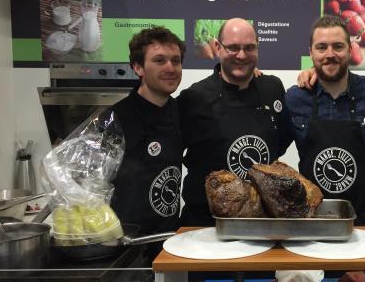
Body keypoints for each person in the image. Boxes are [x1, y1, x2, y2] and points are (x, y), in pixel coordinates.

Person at [177, 18, 291, 226]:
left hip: (263, 223)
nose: (241, 55)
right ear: (218, 48)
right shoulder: (194, 98)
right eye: (233, 48)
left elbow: (280, 142)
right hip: (206, 225)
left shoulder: (272, 88)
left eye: (249, 48)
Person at [285, 16, 365, 225]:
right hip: (312, 221)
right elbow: (272, 151)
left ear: (350, 49)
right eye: (321, 47)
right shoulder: (294, 99)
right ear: (311, 52)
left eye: (338, 46)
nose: (330, 54)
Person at [108, 25, 184, 234]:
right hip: (125, 244)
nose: (170, 68)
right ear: (138, 67)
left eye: (176, 61)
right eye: (159, 60)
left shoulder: (181, 112)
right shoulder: (114, 119)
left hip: (168, 240)